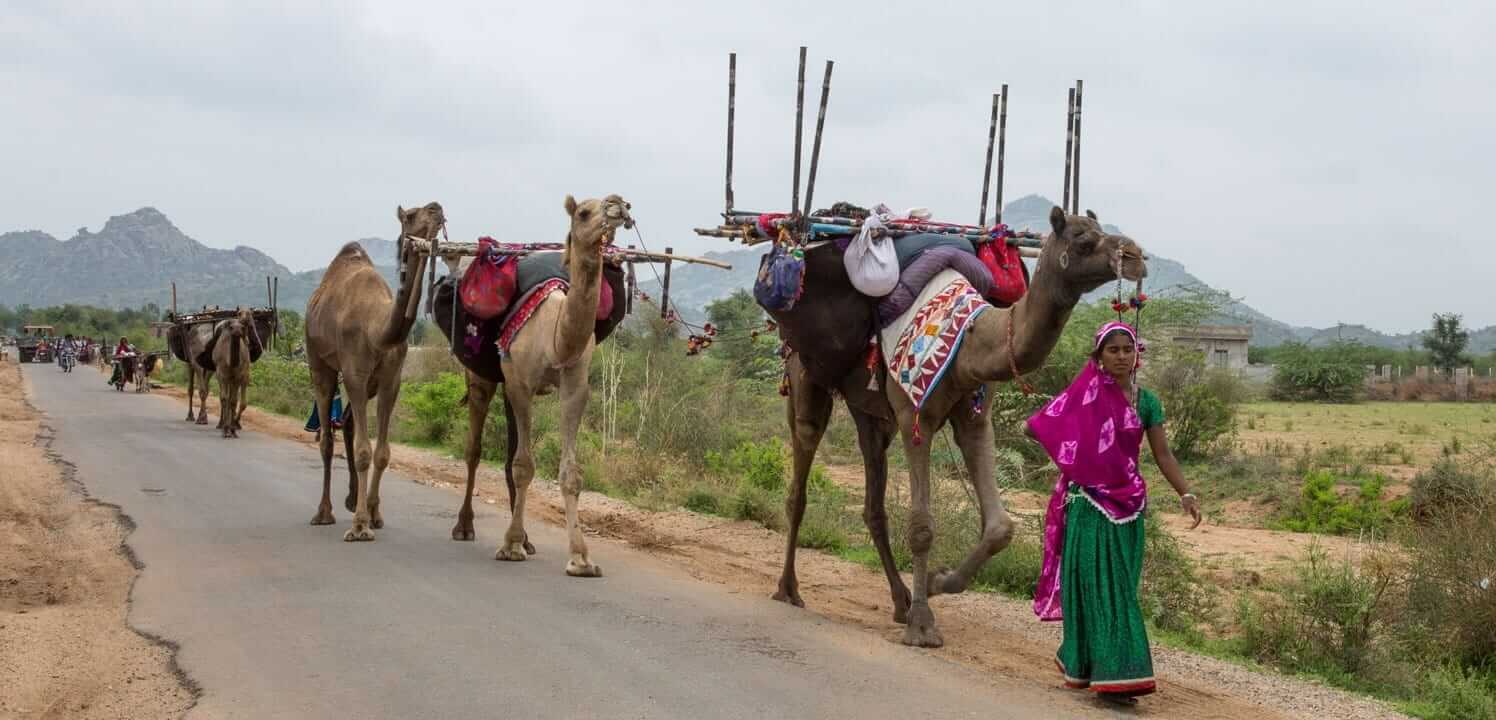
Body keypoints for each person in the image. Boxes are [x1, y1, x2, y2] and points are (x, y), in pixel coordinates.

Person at [1025, 321, 1202, 705]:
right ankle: (1119, 677)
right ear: (1099, 357)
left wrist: (1185, 492)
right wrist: (1069, 445)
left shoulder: (1147, 401)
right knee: (1096, 591)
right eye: (1113, 350)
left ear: (1137, 353)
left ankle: (1109, 672)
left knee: (1120, 587)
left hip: (1129, 505)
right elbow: (1040, 426)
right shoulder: (1086, 395)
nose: (1122, 356)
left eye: (1128, 349)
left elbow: (1163, 454)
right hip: (1088, 503)